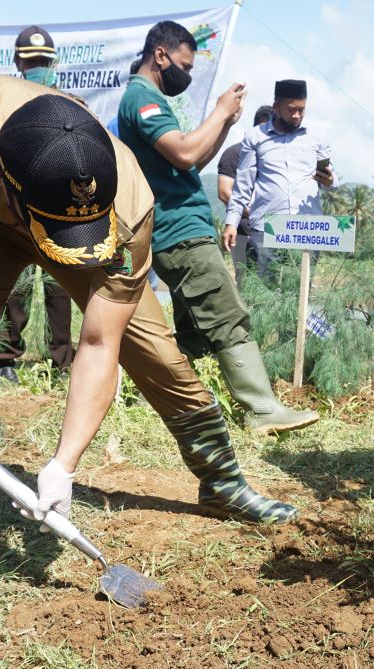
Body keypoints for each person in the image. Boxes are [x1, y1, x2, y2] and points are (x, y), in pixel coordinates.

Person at [0, 75, 298, 588]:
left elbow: (100, 342)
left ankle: (224, 484)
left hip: (93, 229)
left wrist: (64, 463)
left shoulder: (128, 201)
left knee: (156, 355)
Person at [119, 23, 317, 435]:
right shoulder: (141, 98)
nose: (186, 75)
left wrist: (226, 124)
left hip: (183, 224)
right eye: (184, 65)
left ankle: (163, 398)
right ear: (160, 55)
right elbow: (186, 150)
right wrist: (219, 113)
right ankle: (261, 409)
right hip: (178, 230)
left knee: (193, 329)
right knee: (226, 314)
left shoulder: (151, 97)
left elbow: (189, 165)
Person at [0, 25, 75, 382]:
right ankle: (4, 358)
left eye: (43, 61)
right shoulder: (6, 102)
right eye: (32, 61)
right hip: (17, 206)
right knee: (17, 287)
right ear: (17, 63)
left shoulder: (69, 103)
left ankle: (64, 362)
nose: (37, 66)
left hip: (58, 208)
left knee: (61, 288)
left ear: (53, 64)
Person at [221, 79, 335, 281]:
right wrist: (231, 222)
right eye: (291, 110)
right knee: (263, 296)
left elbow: (331, 181)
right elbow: (243, 186)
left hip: (306, 230)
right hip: (267, 229)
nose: (297, 116)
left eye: (302, 110)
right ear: (276, 107)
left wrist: (329, 179)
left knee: (299, 297)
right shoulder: (255, 137)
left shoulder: (316, 137)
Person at [217, 104, 273, 285]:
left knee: (269, 282)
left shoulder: (272, 156)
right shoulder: (234, 153)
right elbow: (225, 192)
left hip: (270, 231)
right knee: (245, 279)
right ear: (259, 126)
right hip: (243, 230)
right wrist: (255, 213)